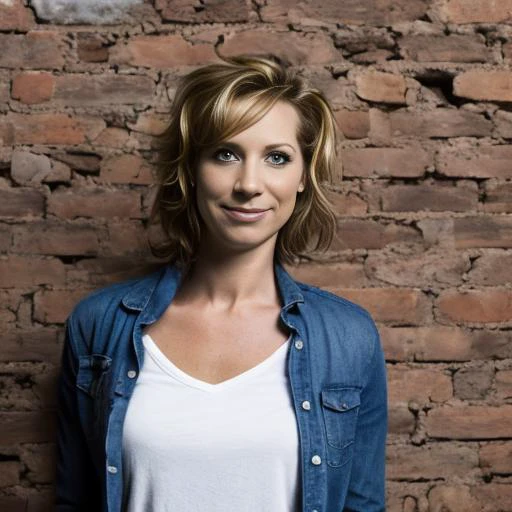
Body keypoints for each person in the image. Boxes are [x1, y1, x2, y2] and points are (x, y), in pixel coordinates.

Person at [55, 54, 387, 512]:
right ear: (191, 170)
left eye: (277, 157)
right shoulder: (99, 327)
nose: (249, 184)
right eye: (226, 154)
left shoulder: (349, 339)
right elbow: (76, 501)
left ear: (304, 176)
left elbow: (361, 506)